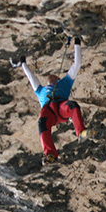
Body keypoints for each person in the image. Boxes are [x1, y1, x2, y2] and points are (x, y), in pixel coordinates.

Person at [13, 36, 94, 165]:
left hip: (61, 108)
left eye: (53, 77)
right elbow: (31, 77)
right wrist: (23, 64)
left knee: (72, 106)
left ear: (57, 78)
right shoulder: (41, 91)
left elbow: (77, 64)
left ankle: (81, 132)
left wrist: (77, 43)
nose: (50, 77)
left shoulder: (65, 82)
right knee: (42, 123)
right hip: (49, 113)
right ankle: (50, 154)